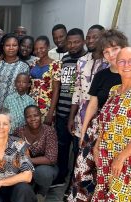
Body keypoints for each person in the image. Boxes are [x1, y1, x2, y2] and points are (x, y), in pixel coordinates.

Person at [61, 30, 128, 202]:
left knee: (107, 177)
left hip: (118, 132)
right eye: (106, 51)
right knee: (83, 172)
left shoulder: (130, 75)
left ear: (123, 48)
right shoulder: (102, 75)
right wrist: (84, 129)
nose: (111, 54)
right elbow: (92, 103)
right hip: (94, 129)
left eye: (115, 49)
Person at [90, 47, 131, 202]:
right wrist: (98, 145)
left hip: (129, 159)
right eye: (122, 61)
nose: (126, 65)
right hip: (108, 155)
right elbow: (105, 122)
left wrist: (122, 156)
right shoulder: (114, 90)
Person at [65, 25, 107, 197]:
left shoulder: (110, 62)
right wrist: (71, 116)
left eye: (94, 37)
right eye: (88, 37)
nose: (90, 41)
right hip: (81, 120)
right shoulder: (81, 62)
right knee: (79, 158)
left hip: (102, 122)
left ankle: (96, 199)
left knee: (98, 162)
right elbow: (76, 91)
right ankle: (75, 192)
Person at [52, 28, 86, 187]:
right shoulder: (64, 60)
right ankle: (61, 177)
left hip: (79, 114)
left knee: (77, 149)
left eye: (76, 42)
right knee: (62, 146)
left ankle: (75, 181)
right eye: (70, 42)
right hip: (62, 111)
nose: (72, 45)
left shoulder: (87, 60)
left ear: (83, 41)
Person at [15, 105, 58, 202]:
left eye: (36, 115)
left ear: (41, 115)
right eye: (29, 116)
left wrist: (27, 160)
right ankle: (27, 190)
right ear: (25, 119)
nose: (33, 119)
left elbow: (51, 159)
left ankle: (41, 192)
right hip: (25, 166)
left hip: (45, 166)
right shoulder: (19, 131)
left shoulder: (49, 131)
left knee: (44, 173)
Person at [29, 35, 61, 125]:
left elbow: (56, 90)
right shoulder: (33, 63)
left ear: (48, 47)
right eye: (36, 48)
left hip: (47, 106)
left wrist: (51, 112)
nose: (39, 51)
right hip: (31, 104)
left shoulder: (56, 64)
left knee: (46, 134)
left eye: (42, 48)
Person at [0, 33, 30, 107]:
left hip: (16, 107)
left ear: (18, 47)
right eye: (7, 45)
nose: (11, 48)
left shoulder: (24, 66)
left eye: (14, 45)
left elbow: (26, 90)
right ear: (3, 47)